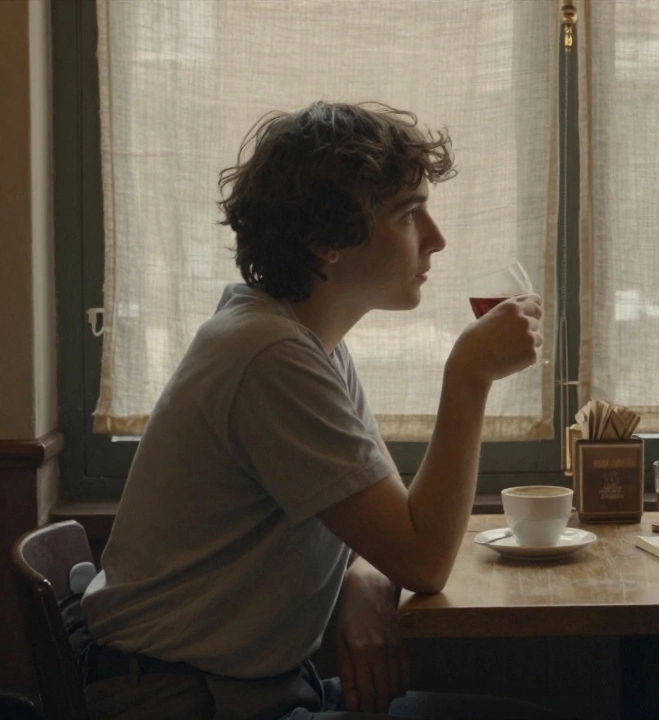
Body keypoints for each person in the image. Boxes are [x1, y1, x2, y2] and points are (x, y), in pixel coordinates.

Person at [78, 101, 562, 720]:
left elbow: (390, 529)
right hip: (181, 699)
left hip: (247, 686)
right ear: (326, 240)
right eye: (410, 215)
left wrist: (362, 575)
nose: (437, 239)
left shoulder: (303, 341)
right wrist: (467, 376)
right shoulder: (270, 356)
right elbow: (424, 559)